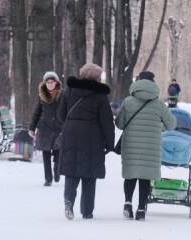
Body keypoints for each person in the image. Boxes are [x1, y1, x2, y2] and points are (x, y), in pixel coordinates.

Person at [115, 71, 176, 221]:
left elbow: (120, 124)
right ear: (153, 83)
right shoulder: (159, 104)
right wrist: (158, 126)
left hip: (131, 145)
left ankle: (127, 204)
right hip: (151, 146)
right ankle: (141, 210)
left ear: (137, 82)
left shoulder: (128, 101)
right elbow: (172, 124)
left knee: (130, 175)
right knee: (145, 177)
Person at [58, 63, 115, 220]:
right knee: (89, 174)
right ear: (97, 77)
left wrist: (70, 126)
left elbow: (61, 114)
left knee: (72, 170)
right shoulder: (100, 96)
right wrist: (109, 143)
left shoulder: (68, 91)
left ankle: (69, 201)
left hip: (70, 134)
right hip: (93, 138)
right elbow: (107, 122)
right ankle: (87, 211)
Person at [29, 71, 63, 187]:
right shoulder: (41, 96)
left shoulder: (62, 95)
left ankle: (57, 172)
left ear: (56, 83)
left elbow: (67, 111)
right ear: (45, 83)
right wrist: (32, 128)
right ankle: (48, 179)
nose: (50, 84)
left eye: (52, 82)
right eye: (48, 82)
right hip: (44, 129)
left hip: (58, 128)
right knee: (46, 154)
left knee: (58, 153)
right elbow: (37, 113)